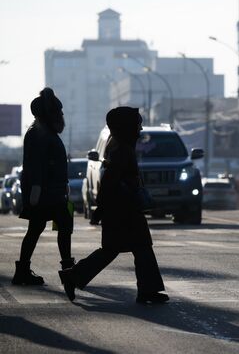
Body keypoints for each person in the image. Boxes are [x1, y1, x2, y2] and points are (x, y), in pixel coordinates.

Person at [59, 107, 168, 304]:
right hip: (122, 210)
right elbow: (110, 181)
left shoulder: (118, 145)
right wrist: (101, 208)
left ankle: (75, 276)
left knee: (119, 248)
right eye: (137, 125)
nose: (140, 129)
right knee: (136, 247)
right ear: (126, 127)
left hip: (120, 209)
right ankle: (147, 290)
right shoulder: (122, 150)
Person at [12, 88, 74, 285]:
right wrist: (36, 190)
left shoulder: (45, 132)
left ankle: (23, 270)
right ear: (49, 114)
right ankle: (68, 269)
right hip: (46, 193)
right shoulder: (39, 133)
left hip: (51, 191)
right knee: (62, 225)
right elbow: (35, 164)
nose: (62, 116)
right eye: (59, 112)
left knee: (40, 228)